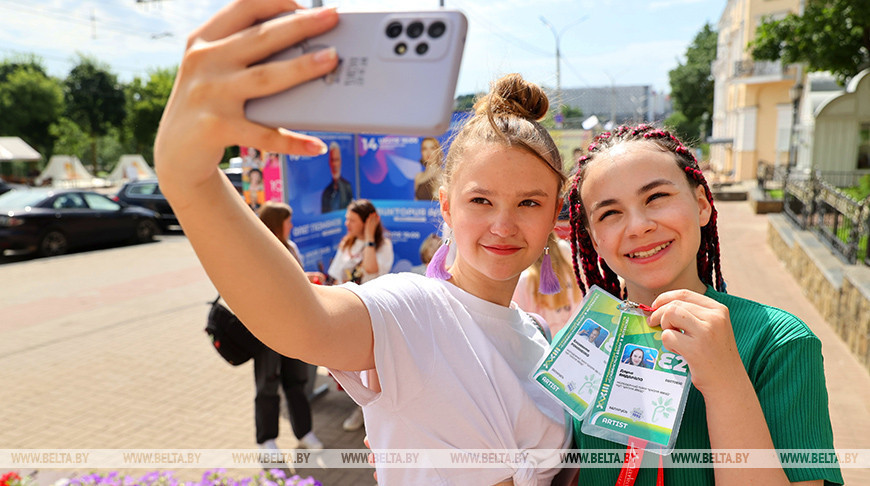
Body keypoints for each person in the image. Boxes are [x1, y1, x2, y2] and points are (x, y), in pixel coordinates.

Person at [153, 3, 570, 480]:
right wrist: (190, 178)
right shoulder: (412, 309)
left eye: (530, 203)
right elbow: (301, 321)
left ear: (555, 214)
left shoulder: (539, 337)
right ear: (447, 208)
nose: (503, 224)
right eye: (481, 201)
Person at [565, 123, 843, 485]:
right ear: (593, 240)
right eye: (609, 213)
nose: (638, 226)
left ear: (701, 205)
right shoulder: (584, 343)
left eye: (656, 197)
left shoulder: (778, 342)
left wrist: (724, 379)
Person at [253, 201, 322, 452]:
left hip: (294, 327)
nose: (291, 225)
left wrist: (308, 279)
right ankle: (266, 439)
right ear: (275, 224)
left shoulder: (290, 247)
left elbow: (293, 281)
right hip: (268, 330)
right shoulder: (258, 251)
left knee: (297, 382)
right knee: (267, 384)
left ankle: (305, 432)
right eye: (287, 221)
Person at [511, 231, 583, 337]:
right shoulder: (566, 257)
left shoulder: (523, 280)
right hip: (572, 340)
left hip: (542, 345)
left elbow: (516, 323)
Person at [321, 141, 353, 213]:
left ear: (340, 161)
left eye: (337, 160)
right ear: (329, 162)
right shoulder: (326, 192)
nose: (335, 164)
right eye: (332, 160)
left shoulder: (347, 187)